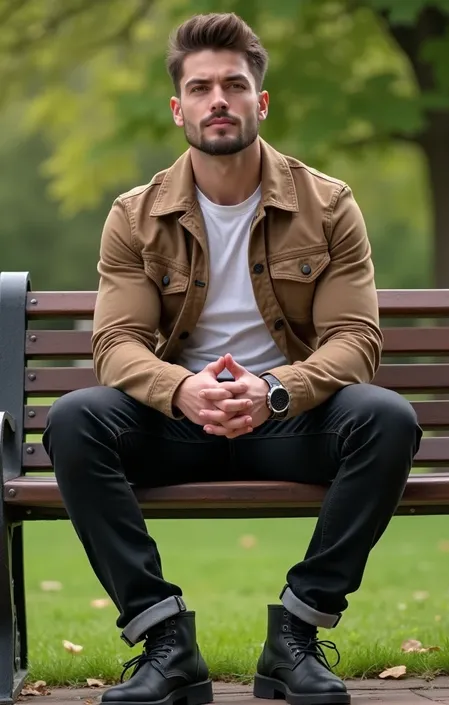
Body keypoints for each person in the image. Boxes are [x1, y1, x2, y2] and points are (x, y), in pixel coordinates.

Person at [43, 11, 422, 705]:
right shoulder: (135, 214)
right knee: (73, 420)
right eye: (201, 86)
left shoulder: (329, 204)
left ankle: (297, 636)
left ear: (260, 101)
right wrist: (182, 389)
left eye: (234, 84)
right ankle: (165, 641)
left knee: (387, 418)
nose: (218, 98)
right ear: (178, 107)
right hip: (177, 422)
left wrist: (275, 390)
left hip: (288, 421)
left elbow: (356, 341)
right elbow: (115, 344)